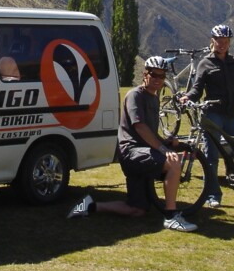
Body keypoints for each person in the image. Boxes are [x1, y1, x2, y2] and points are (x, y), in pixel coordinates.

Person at [67, 56, 197, 232]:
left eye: (162, 76)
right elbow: (140, 127)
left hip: (144, 153)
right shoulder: (135, 95)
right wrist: (163, 149)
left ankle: (90, 206)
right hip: (132, 153)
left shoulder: (154, 97)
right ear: (145, 74)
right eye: (154, 75)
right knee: (174, 162)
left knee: (137, 210)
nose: (158, 79)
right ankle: (171, 216)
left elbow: (149, 132)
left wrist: (166, 142)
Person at [179, 24, 234, 208]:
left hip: (230, 115)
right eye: (219, 41)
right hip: (212, 115)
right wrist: (188, 97)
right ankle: (213, 195)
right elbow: (197, 89)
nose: (222, 44)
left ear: (229, 43)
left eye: (226, 42)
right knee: (210, 157)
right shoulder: (205, 63)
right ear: (212, 41)